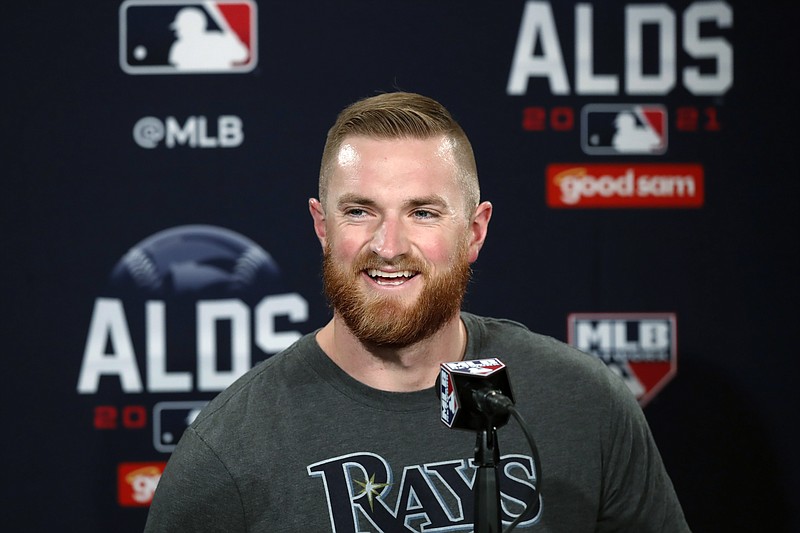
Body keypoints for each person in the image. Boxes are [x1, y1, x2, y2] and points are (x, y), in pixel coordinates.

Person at [144, 92, 690, 532]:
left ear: (474, 231)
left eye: (423, 212)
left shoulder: (583, 403)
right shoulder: (229, 452)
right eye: (360, 211)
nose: (388, 244)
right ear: (322, 227)